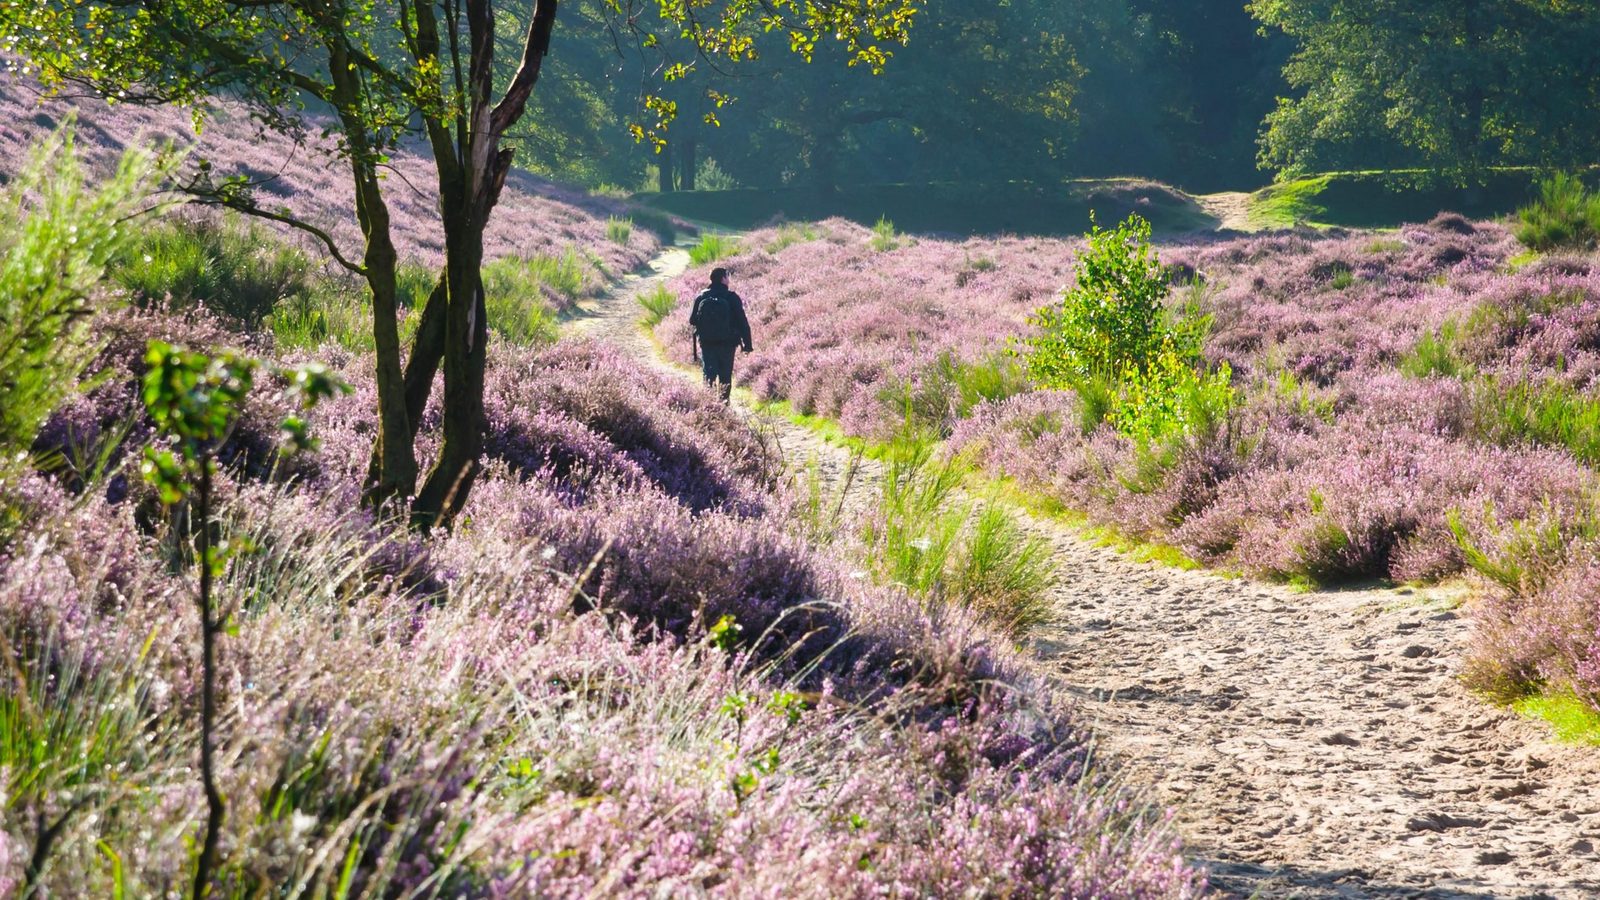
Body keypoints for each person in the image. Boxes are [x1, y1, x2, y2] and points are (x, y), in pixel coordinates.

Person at [689, 267, 753, 402]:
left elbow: (692, 320)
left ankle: (708, 407)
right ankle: (724, 406)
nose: (728, 279)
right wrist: (747, 345)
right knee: (725, 376)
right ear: (723, 279)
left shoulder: (701, 297)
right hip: (728, 344)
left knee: (709, 376)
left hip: (707, 344)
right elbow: (742, 322)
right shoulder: (732, 297)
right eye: (727, 277)